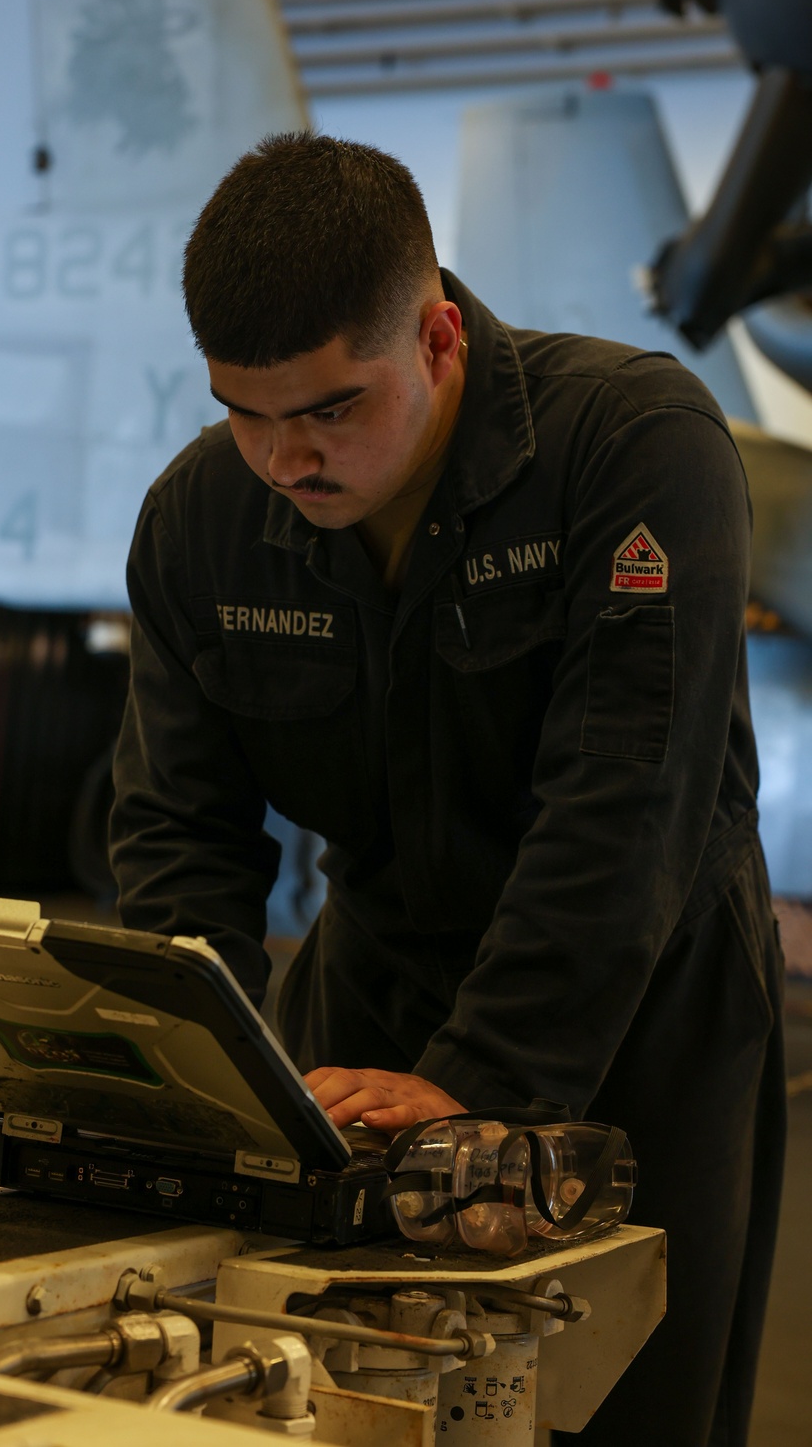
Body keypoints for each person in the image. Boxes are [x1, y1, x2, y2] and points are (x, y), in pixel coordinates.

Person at [110, 133, 785, 1447]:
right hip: (370, 993)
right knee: (322, 1399)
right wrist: (199, 1077)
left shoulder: (637, 450)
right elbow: (179, 833)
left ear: (437, 339)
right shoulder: (197, 521)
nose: (281, 459)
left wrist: (490, 1073)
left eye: (327, 410)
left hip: (640, 1008)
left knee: (634, 1406)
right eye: (243, 411)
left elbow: (626, 810)